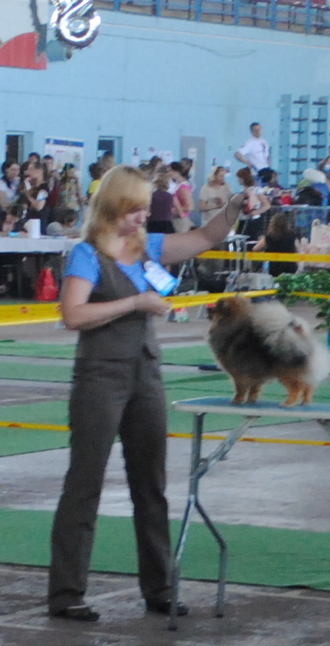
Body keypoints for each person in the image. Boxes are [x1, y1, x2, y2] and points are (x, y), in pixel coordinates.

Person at [48, 164, 248, 622]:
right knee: (84, 484)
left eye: (144, 209)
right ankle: (66, 593)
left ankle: (160, 588)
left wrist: (236, 205)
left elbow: (205, 237)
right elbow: (73, 315)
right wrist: (136, 302)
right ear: (113, 207)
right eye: (134, 209)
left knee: (151, 485)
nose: (143, 217)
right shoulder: (87, 254)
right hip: (100, 376)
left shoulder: (148, 247)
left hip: (146, 375)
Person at [168, 161, 194, 234]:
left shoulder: (183, 187)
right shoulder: (176, 185)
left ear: (176, 172)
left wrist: (175, 210)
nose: (168, 173)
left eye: (170, 171)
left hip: (181, 220)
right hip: (175, 219)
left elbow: (190, 207)